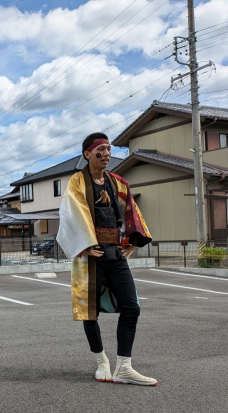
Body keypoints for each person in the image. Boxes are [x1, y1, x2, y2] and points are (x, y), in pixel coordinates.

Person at [57, 133, 157, 386]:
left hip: (115, 252)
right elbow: (70, 213)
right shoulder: (77, 181)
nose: (107, 154)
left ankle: (124, 367)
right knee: (89, 312)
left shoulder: (117, 182)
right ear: (88, 154)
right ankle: (102, 361)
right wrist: (85, 245)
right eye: (101, 149)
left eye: (109, 149)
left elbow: (130, 208)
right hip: (89, 255)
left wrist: (134, 240)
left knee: (132, 307)